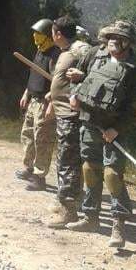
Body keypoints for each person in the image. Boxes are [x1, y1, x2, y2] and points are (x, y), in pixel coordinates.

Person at [65, 20, 136, 248]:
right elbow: (78, 79)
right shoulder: (94, 55)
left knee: (112, 175)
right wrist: (74, 97)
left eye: (118, 37)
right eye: (110, 36)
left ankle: (118, 225)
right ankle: (90, 218)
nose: (113, 40)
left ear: (127, 43)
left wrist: (117, 129)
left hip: (115, 130)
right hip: (90, 123)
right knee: (89, 169)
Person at [45, 16, 91, 227]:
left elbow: (94, 75)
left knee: (69, 163)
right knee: (64, 161)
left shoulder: (79, 50)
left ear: (58, 34)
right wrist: (52, 97)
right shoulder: (68, 51)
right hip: (64, 114)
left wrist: (82, 78)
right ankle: (63, 202)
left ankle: (68, 212)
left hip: (73, 117)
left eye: (52, 32)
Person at [16, 18, 59, 191]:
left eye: (39, 33)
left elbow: (58, 83)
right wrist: (27, 93)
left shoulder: (55, 55)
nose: (35, 36)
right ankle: (28, 168)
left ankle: (39, 177)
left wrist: (52, 104)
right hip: (33, 100)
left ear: (48, 36)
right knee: (27, 135)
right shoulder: (40, 51)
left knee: (42, 139)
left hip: (45, 103)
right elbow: (35, 75)